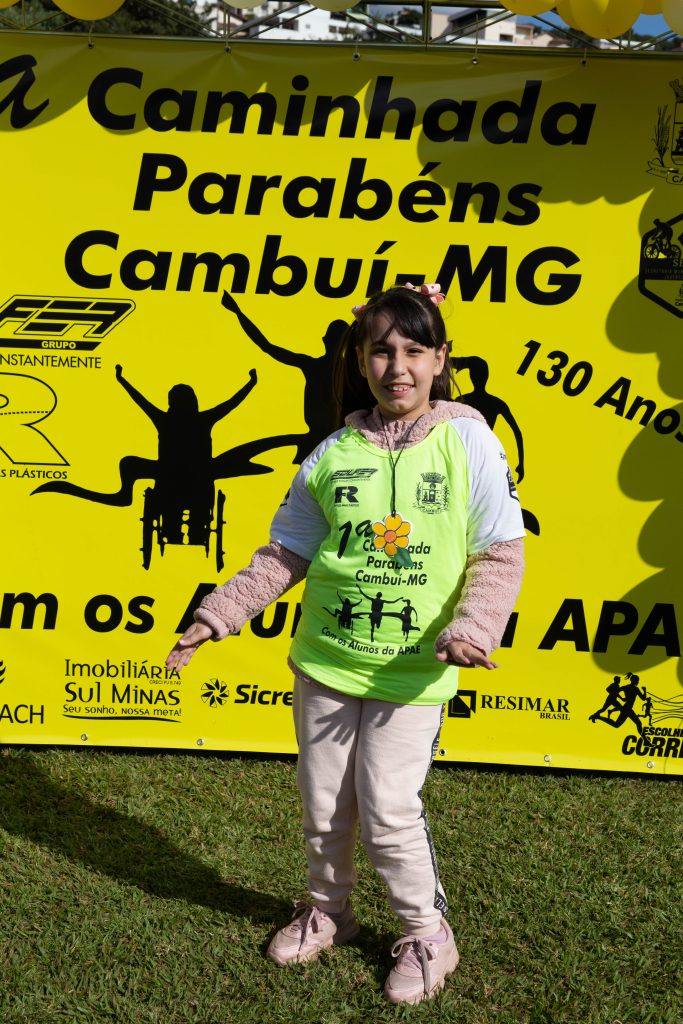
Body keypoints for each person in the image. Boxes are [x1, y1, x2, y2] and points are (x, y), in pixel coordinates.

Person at [166, 283, 525, 1005]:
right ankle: (328, 911)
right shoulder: (333, 451)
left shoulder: (468, 440)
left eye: (414, 351)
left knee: (387, 807)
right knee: (324, 804)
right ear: (361, 362)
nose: (398, 367)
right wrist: (219, 613)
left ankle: (426, 935)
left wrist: (471, 629)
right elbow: (285, 553)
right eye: (382, 351)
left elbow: (498, 552)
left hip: (411, 673)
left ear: (440, 359)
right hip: (326, 662)